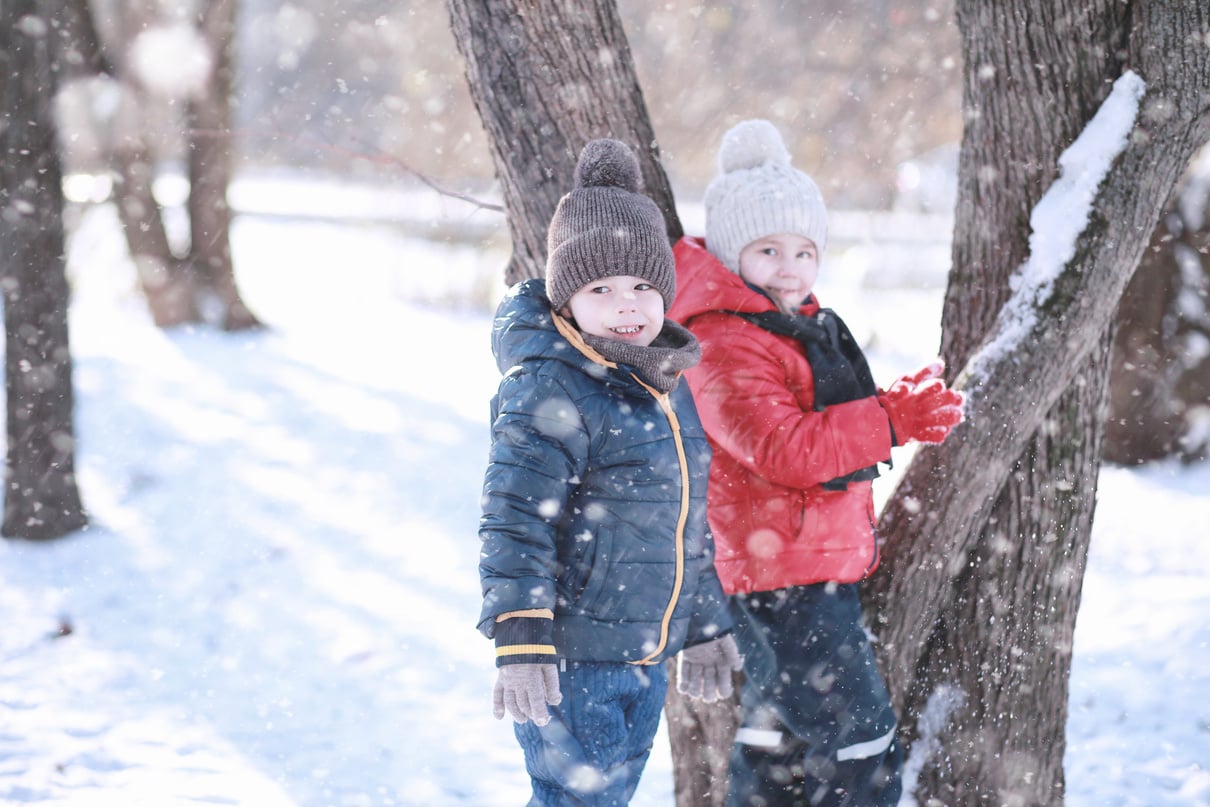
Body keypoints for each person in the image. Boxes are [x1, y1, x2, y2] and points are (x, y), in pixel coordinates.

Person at [667, 119, 965, 806]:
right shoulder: (723, 339)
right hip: (781, 573)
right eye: (768, 249)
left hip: (796, 563)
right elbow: (782, 447)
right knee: (857, 740)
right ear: (732, 250)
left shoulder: (784, 324)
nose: (790, 266)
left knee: (780, 742)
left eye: (805, 250)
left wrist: (890, 405)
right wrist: (889, 419)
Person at [478, 137, 743, 806]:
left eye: (643, 286)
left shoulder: (663, 385)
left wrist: (705, 623)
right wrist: (522, 634)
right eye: (601, 287)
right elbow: (513, 517)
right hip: (572, 654)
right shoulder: (551, 388)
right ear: (567, 299)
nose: (627, 304)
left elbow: (684, 518)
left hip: (642, 654)